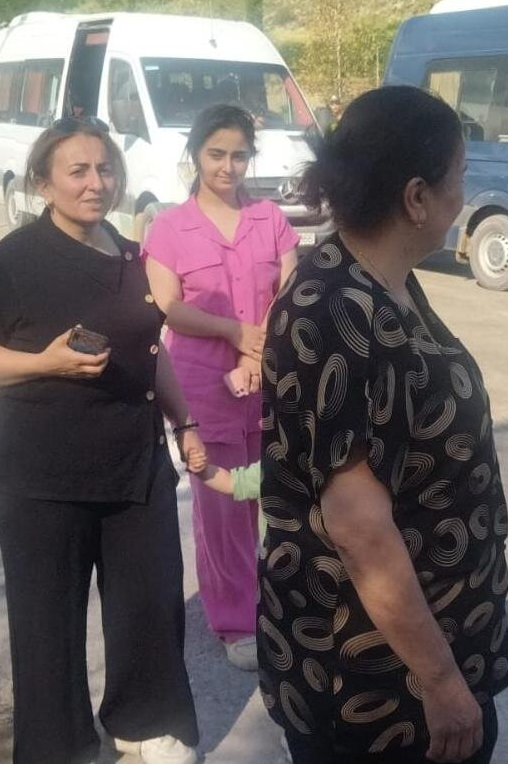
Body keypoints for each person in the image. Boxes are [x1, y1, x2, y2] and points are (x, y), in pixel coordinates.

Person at [260, 86, 508, 763]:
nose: (463, 196)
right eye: (458, 177)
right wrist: (441, 681)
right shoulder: (335, 310)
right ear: (416, 197)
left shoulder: (384, 280)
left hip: (426, 645)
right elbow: (359, 529)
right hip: (374, 680)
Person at [0, 118, 201, 764]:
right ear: (44, 182)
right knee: (47, 624)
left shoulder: (129, 252)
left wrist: (186, 422)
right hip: (40, 476)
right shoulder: (14, 260)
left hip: (135, 463)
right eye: (78, 171)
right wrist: (45, 363)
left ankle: (145, 720)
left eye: (105, 168)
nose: (96, 183)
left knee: (149, 603)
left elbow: (150, 350)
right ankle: (59, 745)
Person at [143, 104, 299, 671]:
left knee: (280, 496)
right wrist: (234, 333)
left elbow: (291, 288)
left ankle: (282, 606)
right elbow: (169, 306)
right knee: (223, 509)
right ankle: (235, 620)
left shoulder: (270, 219)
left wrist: (261, 349)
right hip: (204, 389)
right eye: (216, 154)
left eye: (238, 155)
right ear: (195, 154)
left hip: (272, 383)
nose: (227, 166)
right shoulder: (169, 228)